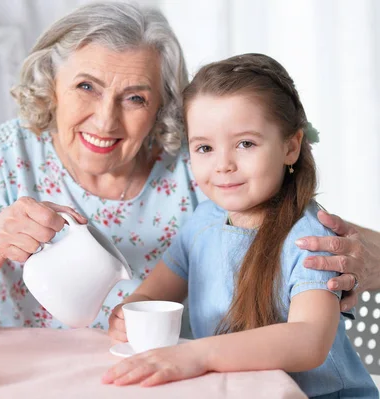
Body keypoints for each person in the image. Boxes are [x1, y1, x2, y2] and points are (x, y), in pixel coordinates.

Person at [0, 2, 380, 331]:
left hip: (163, 376)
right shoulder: (12, 151)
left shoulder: (195, 161)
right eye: (86, 86)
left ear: (164, 106)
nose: (105, 118)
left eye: (135, 97)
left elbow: (306, 231)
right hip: (29, 375)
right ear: (51, 85)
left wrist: (355, 258)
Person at [103, 54, 378, 397]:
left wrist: (197, 354)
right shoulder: (202, 222)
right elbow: (153, 294)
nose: (223, 165)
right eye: (204, 147)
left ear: (290, 146)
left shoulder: (310, 238)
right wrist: (130, 315)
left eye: (245, 144)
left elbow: (309, 340)